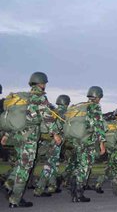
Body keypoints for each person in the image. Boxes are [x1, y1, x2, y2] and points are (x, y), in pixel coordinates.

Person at [4, 72, 60, 208]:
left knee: (20, 163)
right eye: (44, 83)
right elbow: (47, 116)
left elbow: (14, 118)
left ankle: (10, 183)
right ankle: (15, 199)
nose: (45, 85)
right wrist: (55, 133)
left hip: (17, 135)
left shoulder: (23, 98)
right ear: (41, 83)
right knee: (25, 167)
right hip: (29, 137)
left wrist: (6, 135)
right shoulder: (39, 98)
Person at [70, 86, 106, 203]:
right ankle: (79, 194)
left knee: (79, 165)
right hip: (89, 142)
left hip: (78, 141)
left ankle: (74, 189)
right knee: (85, 167)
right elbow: (99, 127)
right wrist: (102, 144)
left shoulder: (81, 107)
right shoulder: (95, 107)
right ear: (98, 96)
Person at [34, 95, 70, 197]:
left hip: (46, 142)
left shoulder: (53, 111)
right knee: (49, 166)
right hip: (55, 143)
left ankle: (52, 186)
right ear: (67, 103)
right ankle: (39, 189)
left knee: (54, 165)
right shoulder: (65, 113)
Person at [94, 107, 117, 195]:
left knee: (109, 169)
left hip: (109, 150)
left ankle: (98, 183)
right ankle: (116, 181)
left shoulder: (108, 124)